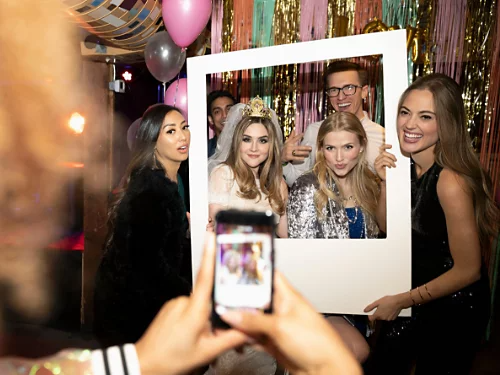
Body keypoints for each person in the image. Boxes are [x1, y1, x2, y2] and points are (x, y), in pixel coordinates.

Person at [364, 73, 499, 374]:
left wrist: (401, 300)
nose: (410, 125)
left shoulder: (451, 180)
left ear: (446, 124)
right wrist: (386, 183)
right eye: (405, 112)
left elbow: (469, 270)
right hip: (414, 293)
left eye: (425, 117)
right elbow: (387, 226)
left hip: (454, 306)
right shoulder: (406, 164)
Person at [287, 112, 387, 363]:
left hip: (364, 300)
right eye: (330, 148)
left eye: (348, 147)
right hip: (321, 303)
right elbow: (303, 258)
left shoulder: (371, 183)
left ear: (362, 146)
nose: (339, 158)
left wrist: (386, 185)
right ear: (321, 149)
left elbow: (384, 238)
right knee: (354, 353)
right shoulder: (307, 186)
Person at [93, 104, 193, 347]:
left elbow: (156, 239)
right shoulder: (152, 189)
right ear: (153, 141)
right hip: (132, 313)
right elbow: (148, 264)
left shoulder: (170, 179)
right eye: (170, 131)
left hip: (138, 307)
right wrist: (190, 294)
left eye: (184, 127)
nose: (182, 136)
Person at [282, 60, 385, 187]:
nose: (341, 97)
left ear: (364, 91)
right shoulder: (315, 131)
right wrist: (282, 162)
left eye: (349, 88)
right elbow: (298, 181)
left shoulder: (382, 136)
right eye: (334, 90)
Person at [208, 97, 288, 238]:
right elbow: (218, 229)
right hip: (234, 257)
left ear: (271, 146)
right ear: (237, 142)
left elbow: (284, 233)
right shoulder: (223, 174)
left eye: (262, 140)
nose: (254, 148)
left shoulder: (278, 183)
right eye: (247, 139)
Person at [207, 90, 236, 157]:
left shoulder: (246, 146)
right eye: (217, 111)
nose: (224, 115)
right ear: (210, 119)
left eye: (229, 109)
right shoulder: (205, 150)